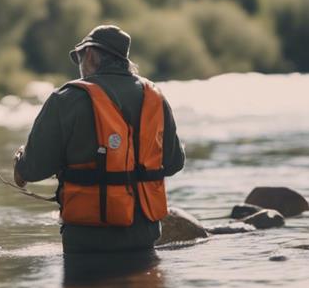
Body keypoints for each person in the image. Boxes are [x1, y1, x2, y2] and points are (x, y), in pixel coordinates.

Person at [13, 25, 185, 253]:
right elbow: (174, 163)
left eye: (80, 58)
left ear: (91, 54)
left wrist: (19, 166)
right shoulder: (154, 97)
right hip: (143, 236)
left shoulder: (66, 99)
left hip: (87, 240)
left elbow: (33, 169)